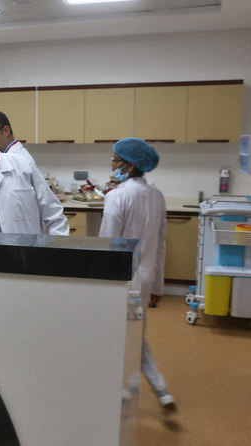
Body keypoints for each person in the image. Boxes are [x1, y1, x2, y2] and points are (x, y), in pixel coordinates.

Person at [98, 137, 176, 412]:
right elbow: (161, 244)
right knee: (135, 335)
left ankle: (124, 389)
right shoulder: (157, 196)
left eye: (116, 160)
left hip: (120, 280)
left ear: (130, 166)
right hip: (143, 279)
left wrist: (99, 285)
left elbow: (107, 244)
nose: (112, 164)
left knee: (118, 337)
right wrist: (158, 284)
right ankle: (160, 390)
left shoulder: (116, 196)